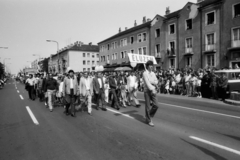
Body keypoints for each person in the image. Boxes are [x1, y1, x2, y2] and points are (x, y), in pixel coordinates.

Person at [143, 60, 159, 127]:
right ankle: (149, 120)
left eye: (152, 65)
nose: (151, 66)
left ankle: (148, 115)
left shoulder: (153, 73)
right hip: (147, 91)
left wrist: (152, 81)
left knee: (156, 105)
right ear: (147, 66)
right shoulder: (144, 73)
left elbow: (156, 81)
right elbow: (147, 83)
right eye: (150, 65)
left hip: (153, 90)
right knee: (148, 106)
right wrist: (152, 86)